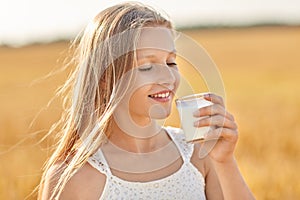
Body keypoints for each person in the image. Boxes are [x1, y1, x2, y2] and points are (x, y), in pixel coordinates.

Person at [38, 2, 255, 199]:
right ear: (106, 78)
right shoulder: (74, 177)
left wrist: (225, 162)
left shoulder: (197, 154)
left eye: (171, 63)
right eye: (147, 66)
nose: (169, 78)